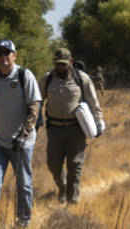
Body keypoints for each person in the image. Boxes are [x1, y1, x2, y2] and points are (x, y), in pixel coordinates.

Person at [0, 39, 41, 228]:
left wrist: (24, 135)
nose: (3, 57)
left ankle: (23, 220)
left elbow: (34, 107)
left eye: (7, 52)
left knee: (24, 184)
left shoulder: (24, 75)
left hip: (22, 144)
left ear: (14, 55)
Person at [40, 48, 104, 204]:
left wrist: (99, 122)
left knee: (75, 165)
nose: (60, 67)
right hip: (54, 129)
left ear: (71, 62)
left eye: (63, 64)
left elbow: (94, 102)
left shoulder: (82, 79)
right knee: (53, 164)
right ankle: (63, 187)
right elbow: (38, 102)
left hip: (76, 128)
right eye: (57, 64)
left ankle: (72, 199)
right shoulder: (47, 79)